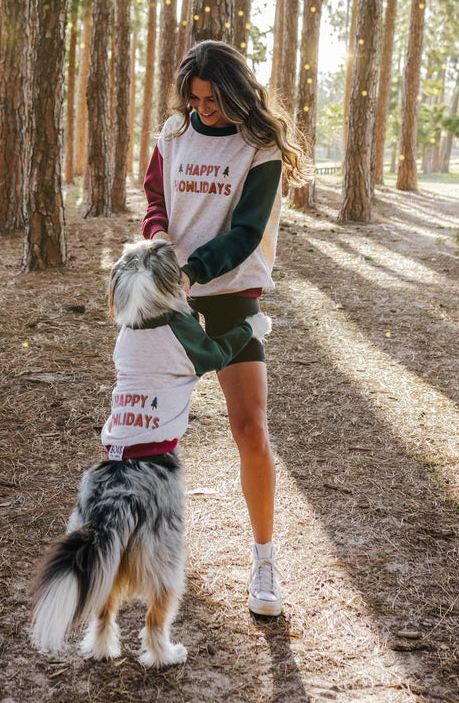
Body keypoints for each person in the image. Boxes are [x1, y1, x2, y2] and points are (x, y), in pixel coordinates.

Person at [141, 40, 312, 617]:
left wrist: (194, 270)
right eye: (193, 97)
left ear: (236, 92)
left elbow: (245, 231)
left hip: (231, 293)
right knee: (151, 434)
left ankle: (264, 562)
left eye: (212, 98)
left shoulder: (257, 147)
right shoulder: (172, 133)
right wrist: (160, 237)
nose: (201, 108)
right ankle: (145, 555)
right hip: (171, 294)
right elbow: (155, 198)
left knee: (249, 429)